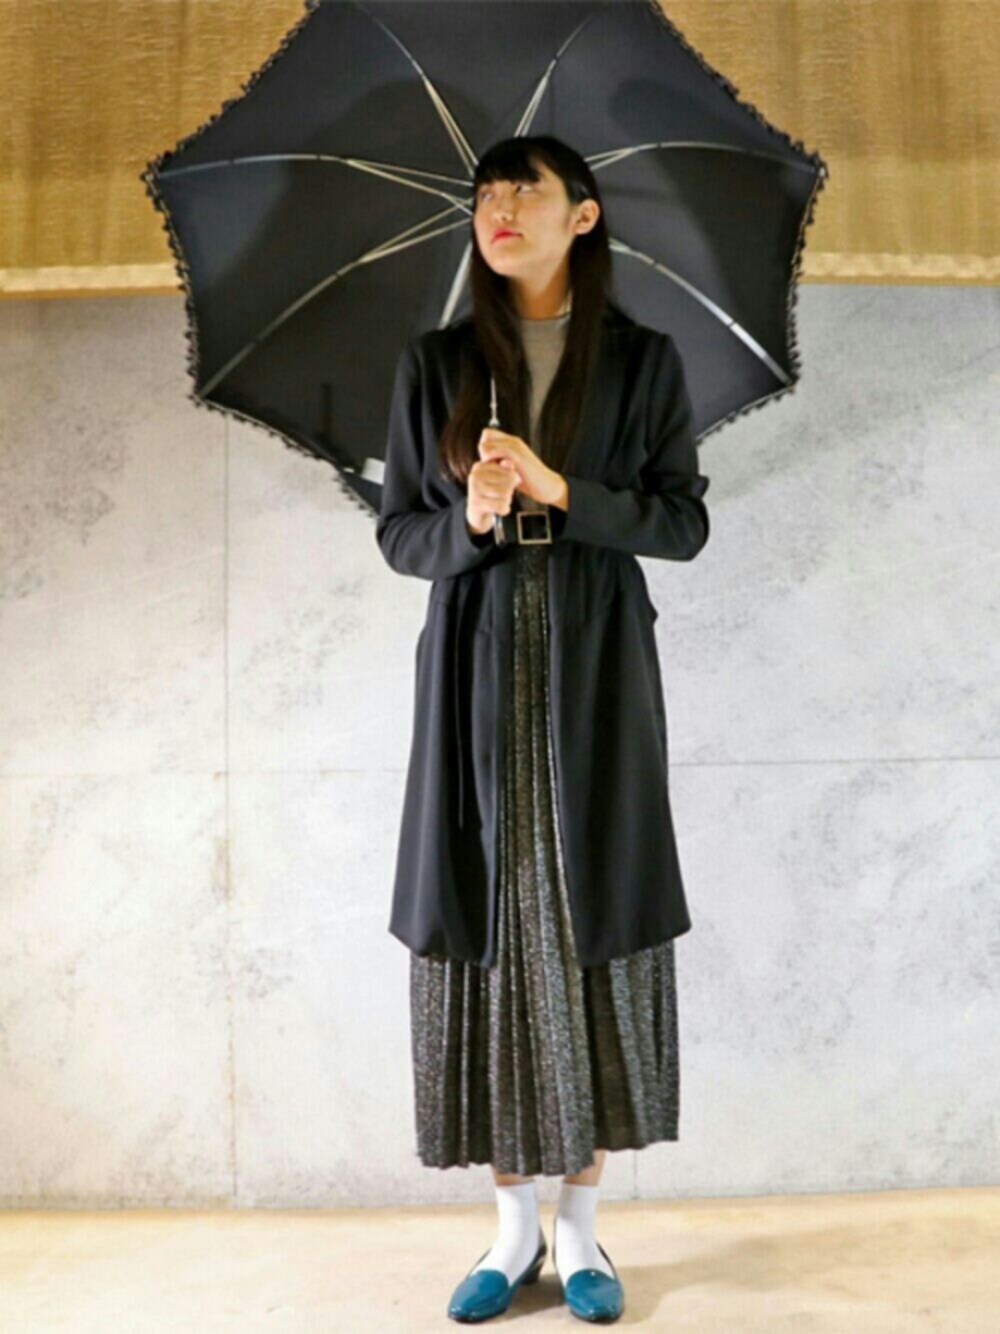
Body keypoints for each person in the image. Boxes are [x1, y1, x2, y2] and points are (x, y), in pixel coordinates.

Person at [376, 134, 710, 1324]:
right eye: (484, 194)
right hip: (474, 669)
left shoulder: (642, 360)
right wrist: (468, 514)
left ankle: (580, 1231)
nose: (498, 209)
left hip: (595, 665)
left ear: (584, 215)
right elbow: (398, 535)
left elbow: (681, 523)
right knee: (492, 918)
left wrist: (563, 491)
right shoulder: (435, 364)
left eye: (525, 191)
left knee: (583, 919)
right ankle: (510, 1225)